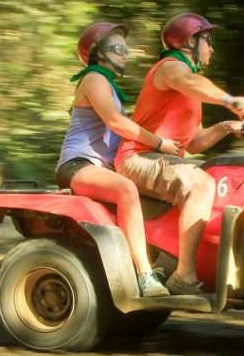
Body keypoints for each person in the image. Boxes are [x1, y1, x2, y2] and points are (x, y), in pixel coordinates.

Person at [114, 13, 244, 295]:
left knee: (218, 175)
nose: (212, 49)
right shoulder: (169, 68)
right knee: (201, 182)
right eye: (208, 41)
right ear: (190, 41)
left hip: (165, 158)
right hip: (138, 157)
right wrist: (230, 101)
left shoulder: (189, 87)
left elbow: (193, 144)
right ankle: (184, 275)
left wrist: (227, 127)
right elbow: (191, 83)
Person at [55, 21, 183, 298]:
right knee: (127, 189)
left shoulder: (109, 87)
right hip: (80, 164)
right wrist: (160, 143)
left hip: (103, 167)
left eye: (125, 50)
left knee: (166, 195)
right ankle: (145, 275)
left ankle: (165, 266)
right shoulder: (93, 80)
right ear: (97, 53)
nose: (124, 54)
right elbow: (116, 123)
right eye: (117, 49)